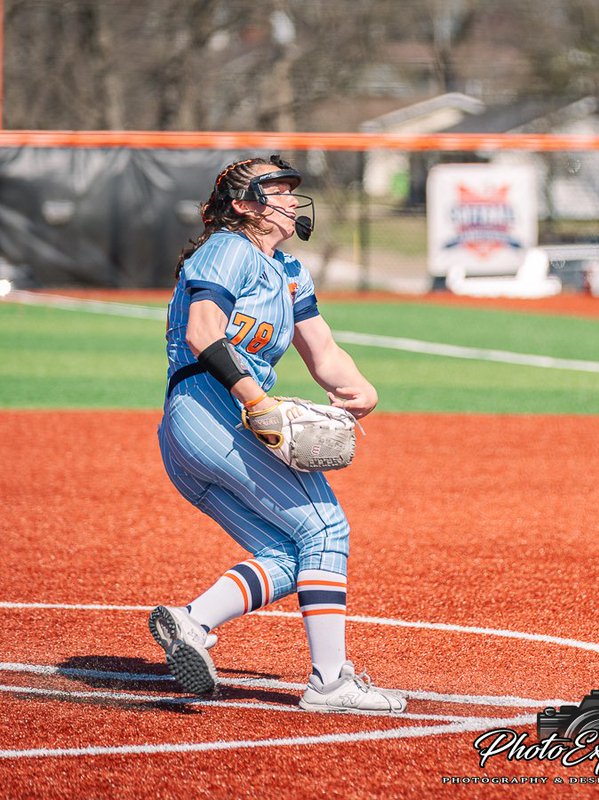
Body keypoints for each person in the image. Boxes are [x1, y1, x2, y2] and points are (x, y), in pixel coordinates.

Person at [153, 155, 405, 714]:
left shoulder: (288, 270)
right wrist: (257, 401)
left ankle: (192, 622)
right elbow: (202, 333)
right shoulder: (228, 248)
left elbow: (322, 350)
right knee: (327, 528)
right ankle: (330, 682)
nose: (292, 199)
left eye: (293, 190)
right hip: (211, 411)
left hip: (201, 427)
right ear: (244, 206)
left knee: (291, 551)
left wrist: (359, 387)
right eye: (278, 191)